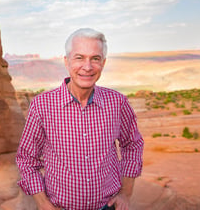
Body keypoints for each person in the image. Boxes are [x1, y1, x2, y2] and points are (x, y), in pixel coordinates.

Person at [16, 28, 144, 210]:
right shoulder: (42, 105)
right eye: (79, 58)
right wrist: (42, 203)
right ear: (67, 61)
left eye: (95, 59)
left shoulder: (117, 102)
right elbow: (27, 159)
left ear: (103, 63)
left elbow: (132, 145)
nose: (88, 66)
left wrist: (126, 193)